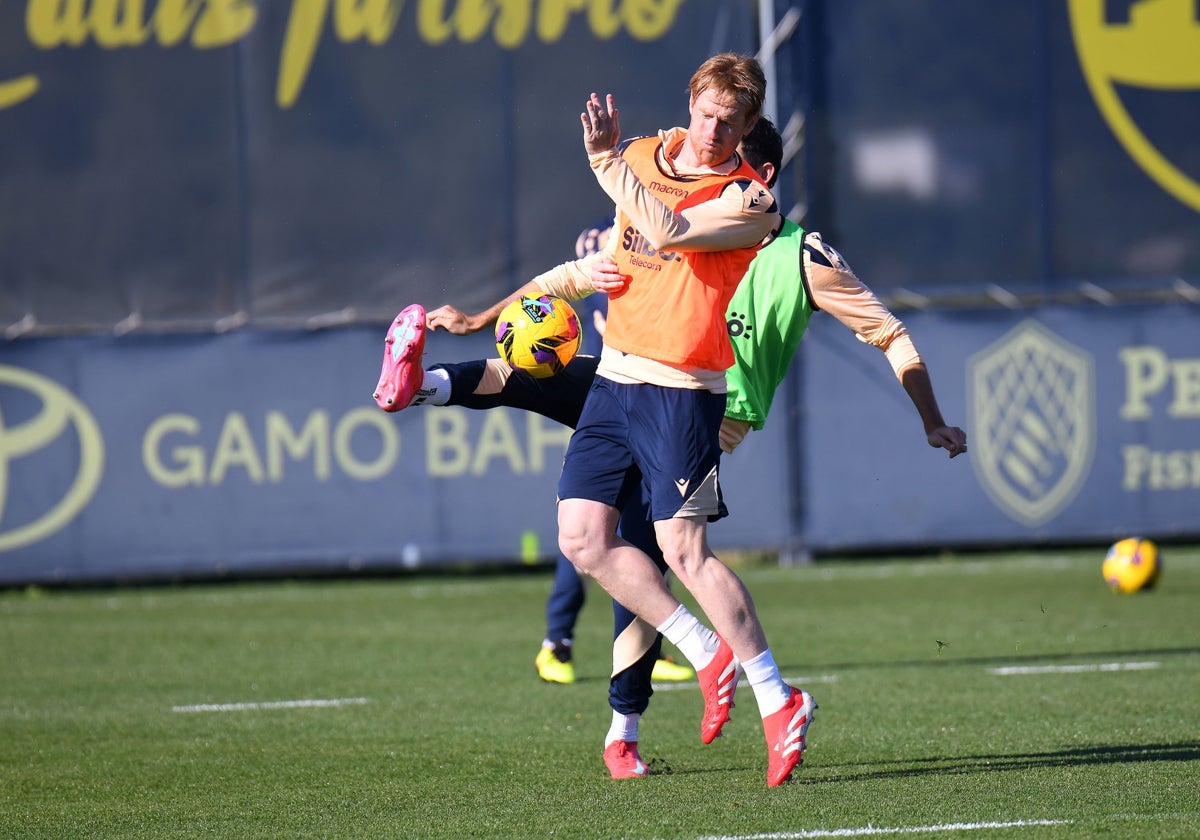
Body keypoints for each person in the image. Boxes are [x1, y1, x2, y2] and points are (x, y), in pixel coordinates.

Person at [375, 60, 966, 786]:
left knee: (673, 556)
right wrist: (488, 314)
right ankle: (419, 387)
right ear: (691, 104)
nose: (719, 136)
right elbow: (607, 258)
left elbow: (673, 229)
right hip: (620, 376)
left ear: (758, 149)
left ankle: (760, 702)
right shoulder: (648, 158)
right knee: (580, 528)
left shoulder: (758, 212)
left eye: (737, 128)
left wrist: (932, 419)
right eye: (709, 115)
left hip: (689, 400)